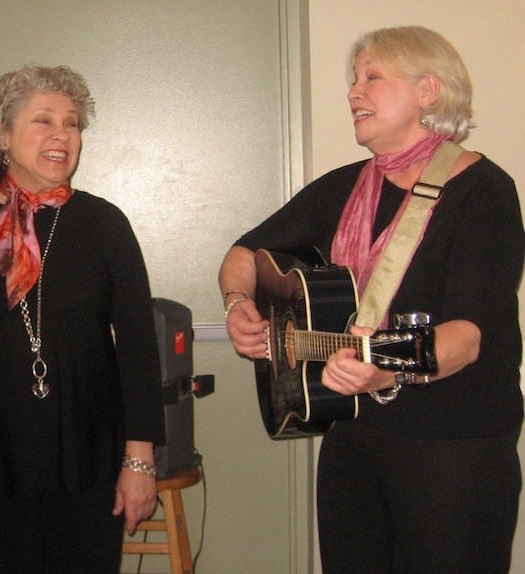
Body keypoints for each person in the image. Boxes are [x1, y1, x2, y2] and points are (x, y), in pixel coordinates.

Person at [218, 26, 523, 573]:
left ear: (428, 91)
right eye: (353, 80)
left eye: (372, 78)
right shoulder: (346, 186)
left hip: (455, 448)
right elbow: (245, 250)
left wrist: (386, 369)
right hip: (353, 436)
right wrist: (238, 302)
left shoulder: (485, 193)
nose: (354, 92)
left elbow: (468, 338)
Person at [0, 65, 164, 573]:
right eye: (43, 120)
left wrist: (139, 461)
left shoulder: (104, 224)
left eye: (71, 123)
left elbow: (137, 347)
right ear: (2, 134)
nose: (61, 136)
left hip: (86, 459)